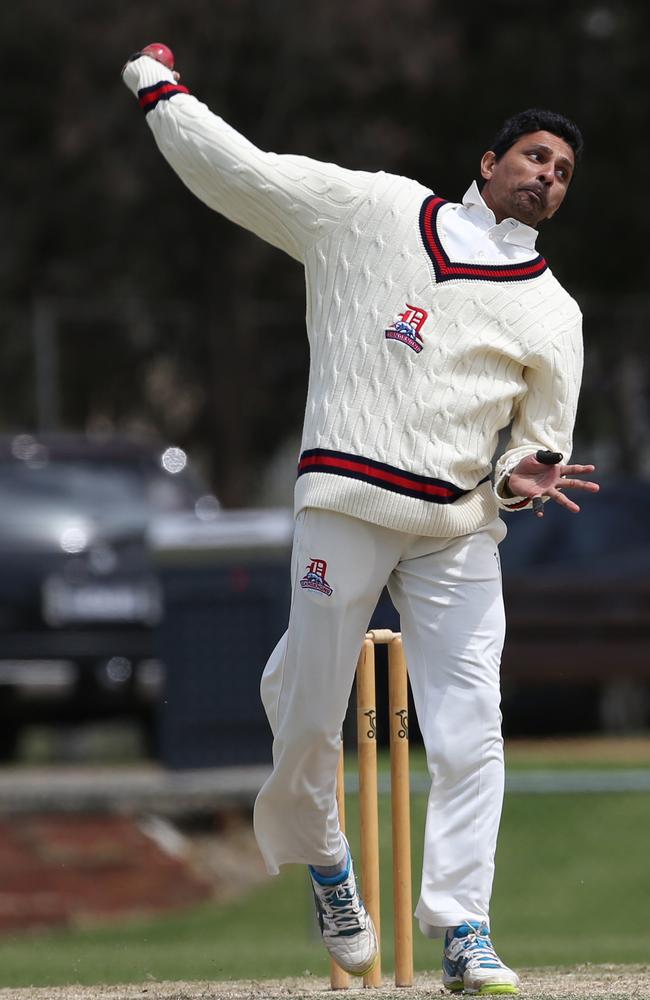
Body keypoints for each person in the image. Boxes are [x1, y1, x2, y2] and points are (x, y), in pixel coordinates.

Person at [123, 47, 599, 995]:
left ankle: (464, 927)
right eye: (536, 157)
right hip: (346, 499)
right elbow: (243, 173)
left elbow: (532, 449)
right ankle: (329, 862)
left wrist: (519, 479)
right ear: (489, 161)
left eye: (564, 174)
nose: (548, 177)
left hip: (459, 530)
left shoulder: (553, 313)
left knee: (473, 732)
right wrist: (157, 88)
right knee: (307, 713)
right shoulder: (373, 210)